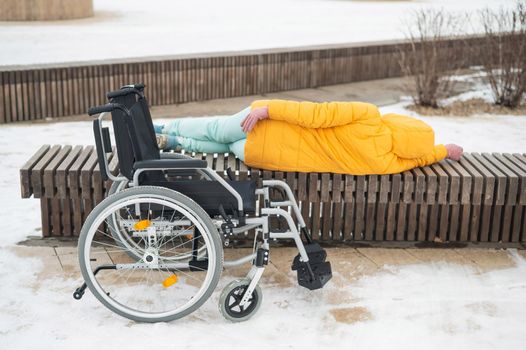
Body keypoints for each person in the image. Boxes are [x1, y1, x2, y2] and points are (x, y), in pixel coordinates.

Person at [154, 100, 463, 175]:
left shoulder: (368, 114)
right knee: (225, 146)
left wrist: (268, 109)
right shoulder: (385, 162)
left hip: (264, 128)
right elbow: (419, 158)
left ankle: (164, 129)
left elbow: (315, 114)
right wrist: (442, 152)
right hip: (261, 157)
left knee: (216, 129)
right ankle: (178, 145)